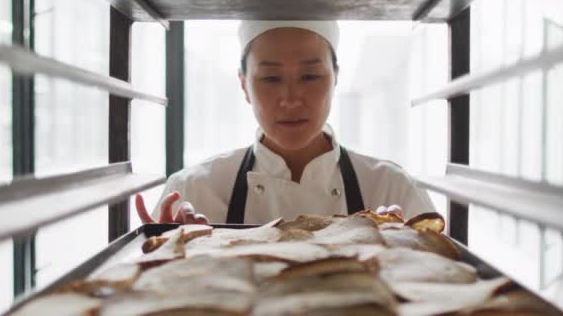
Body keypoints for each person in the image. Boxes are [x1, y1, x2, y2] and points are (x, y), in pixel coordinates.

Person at [135, 21, 435, 225]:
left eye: (310, 76)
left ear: (335, 79)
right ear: (243, 85)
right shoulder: (193, 190)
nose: (291, 99)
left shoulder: (392, 189)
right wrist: (163, 258)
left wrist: (401, 255)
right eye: (270, 78)